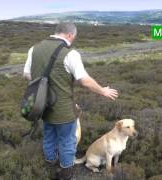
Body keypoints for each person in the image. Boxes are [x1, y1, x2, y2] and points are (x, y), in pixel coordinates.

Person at [23, 22, 118, 180]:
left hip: (41, 106)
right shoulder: (70, 54)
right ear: (70, 35)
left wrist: (44, 87)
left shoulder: (34, 49)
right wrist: (103, 90)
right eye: (73, 37)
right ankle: (66, 173)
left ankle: (50, 163)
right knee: (67, 141)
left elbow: (27, 75)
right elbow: (84, 80)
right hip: (63, 109)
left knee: (48, 135)